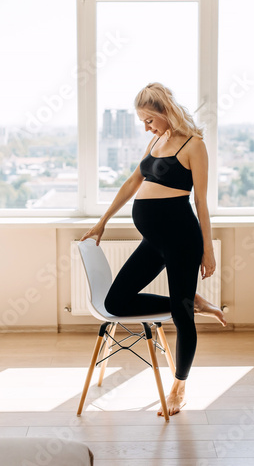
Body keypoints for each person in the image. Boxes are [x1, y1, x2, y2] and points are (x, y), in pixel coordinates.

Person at [80, 82, 225, 416]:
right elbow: (133, 182)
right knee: (116, 302)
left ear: (165, 111)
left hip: (182, 240)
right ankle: (193, 301)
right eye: (143, 121)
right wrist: (102, 221)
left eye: (149, 119)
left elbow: (201, 202)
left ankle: (179, 388)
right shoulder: (155, 141)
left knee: (181, 318)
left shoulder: (194, 145)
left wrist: (208, 250)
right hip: (154, 241)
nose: (146, 126)